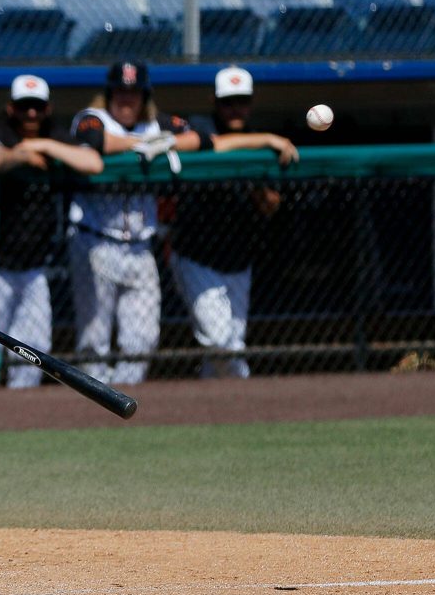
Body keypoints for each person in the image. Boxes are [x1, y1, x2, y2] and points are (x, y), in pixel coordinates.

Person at [68, 61, 200, 385]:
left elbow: (198, 137)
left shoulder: (156, 125)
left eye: (134, 93)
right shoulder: (92, 118)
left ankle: (123, 399)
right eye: (121, 93)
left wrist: (166, 142)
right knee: (93, 339)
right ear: (110, 94)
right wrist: (140, 146)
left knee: (143, 339)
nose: (127, 100)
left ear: (144, 96)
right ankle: (93, 407)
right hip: (95, 241)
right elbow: (96, 141)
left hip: (141, 246)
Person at [0, 75, 103, 388]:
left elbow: (93, 163)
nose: (31, 114)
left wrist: (43, 145)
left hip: (35, 267)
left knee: (35, 351)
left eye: (37, 107)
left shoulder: (52, 134)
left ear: (47, 109)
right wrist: (23, 154)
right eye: (24, 107)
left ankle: (19, 416)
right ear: (11, 108)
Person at [172, 66, 299, 379]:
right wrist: (269, 138)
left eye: (241, 101)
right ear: (216, 102)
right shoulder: (202, 126)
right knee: (219, 342)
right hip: (197, 256)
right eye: (228, 102)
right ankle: (246, 395)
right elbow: (213, 143)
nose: (235, 108)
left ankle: (217, 413)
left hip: (239, 259)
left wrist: (257, 184)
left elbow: (271, 205)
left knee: (228, 346)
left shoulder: (260, 143)